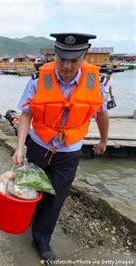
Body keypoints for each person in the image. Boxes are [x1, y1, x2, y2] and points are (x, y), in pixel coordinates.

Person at [12, 33, 109, 262]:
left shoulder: (94, 82)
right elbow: (26, 115)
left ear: (84, 57)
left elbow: (101, 113)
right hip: (38, 145)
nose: (66, 66)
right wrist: (19, 147)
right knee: (30, 187)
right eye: (61, 59)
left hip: (69, 152)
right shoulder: (37, 79)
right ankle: (28, 217)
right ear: (54, 55)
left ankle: (41, 238)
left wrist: (104, 140)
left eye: (74, 61)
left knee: (55, 198)